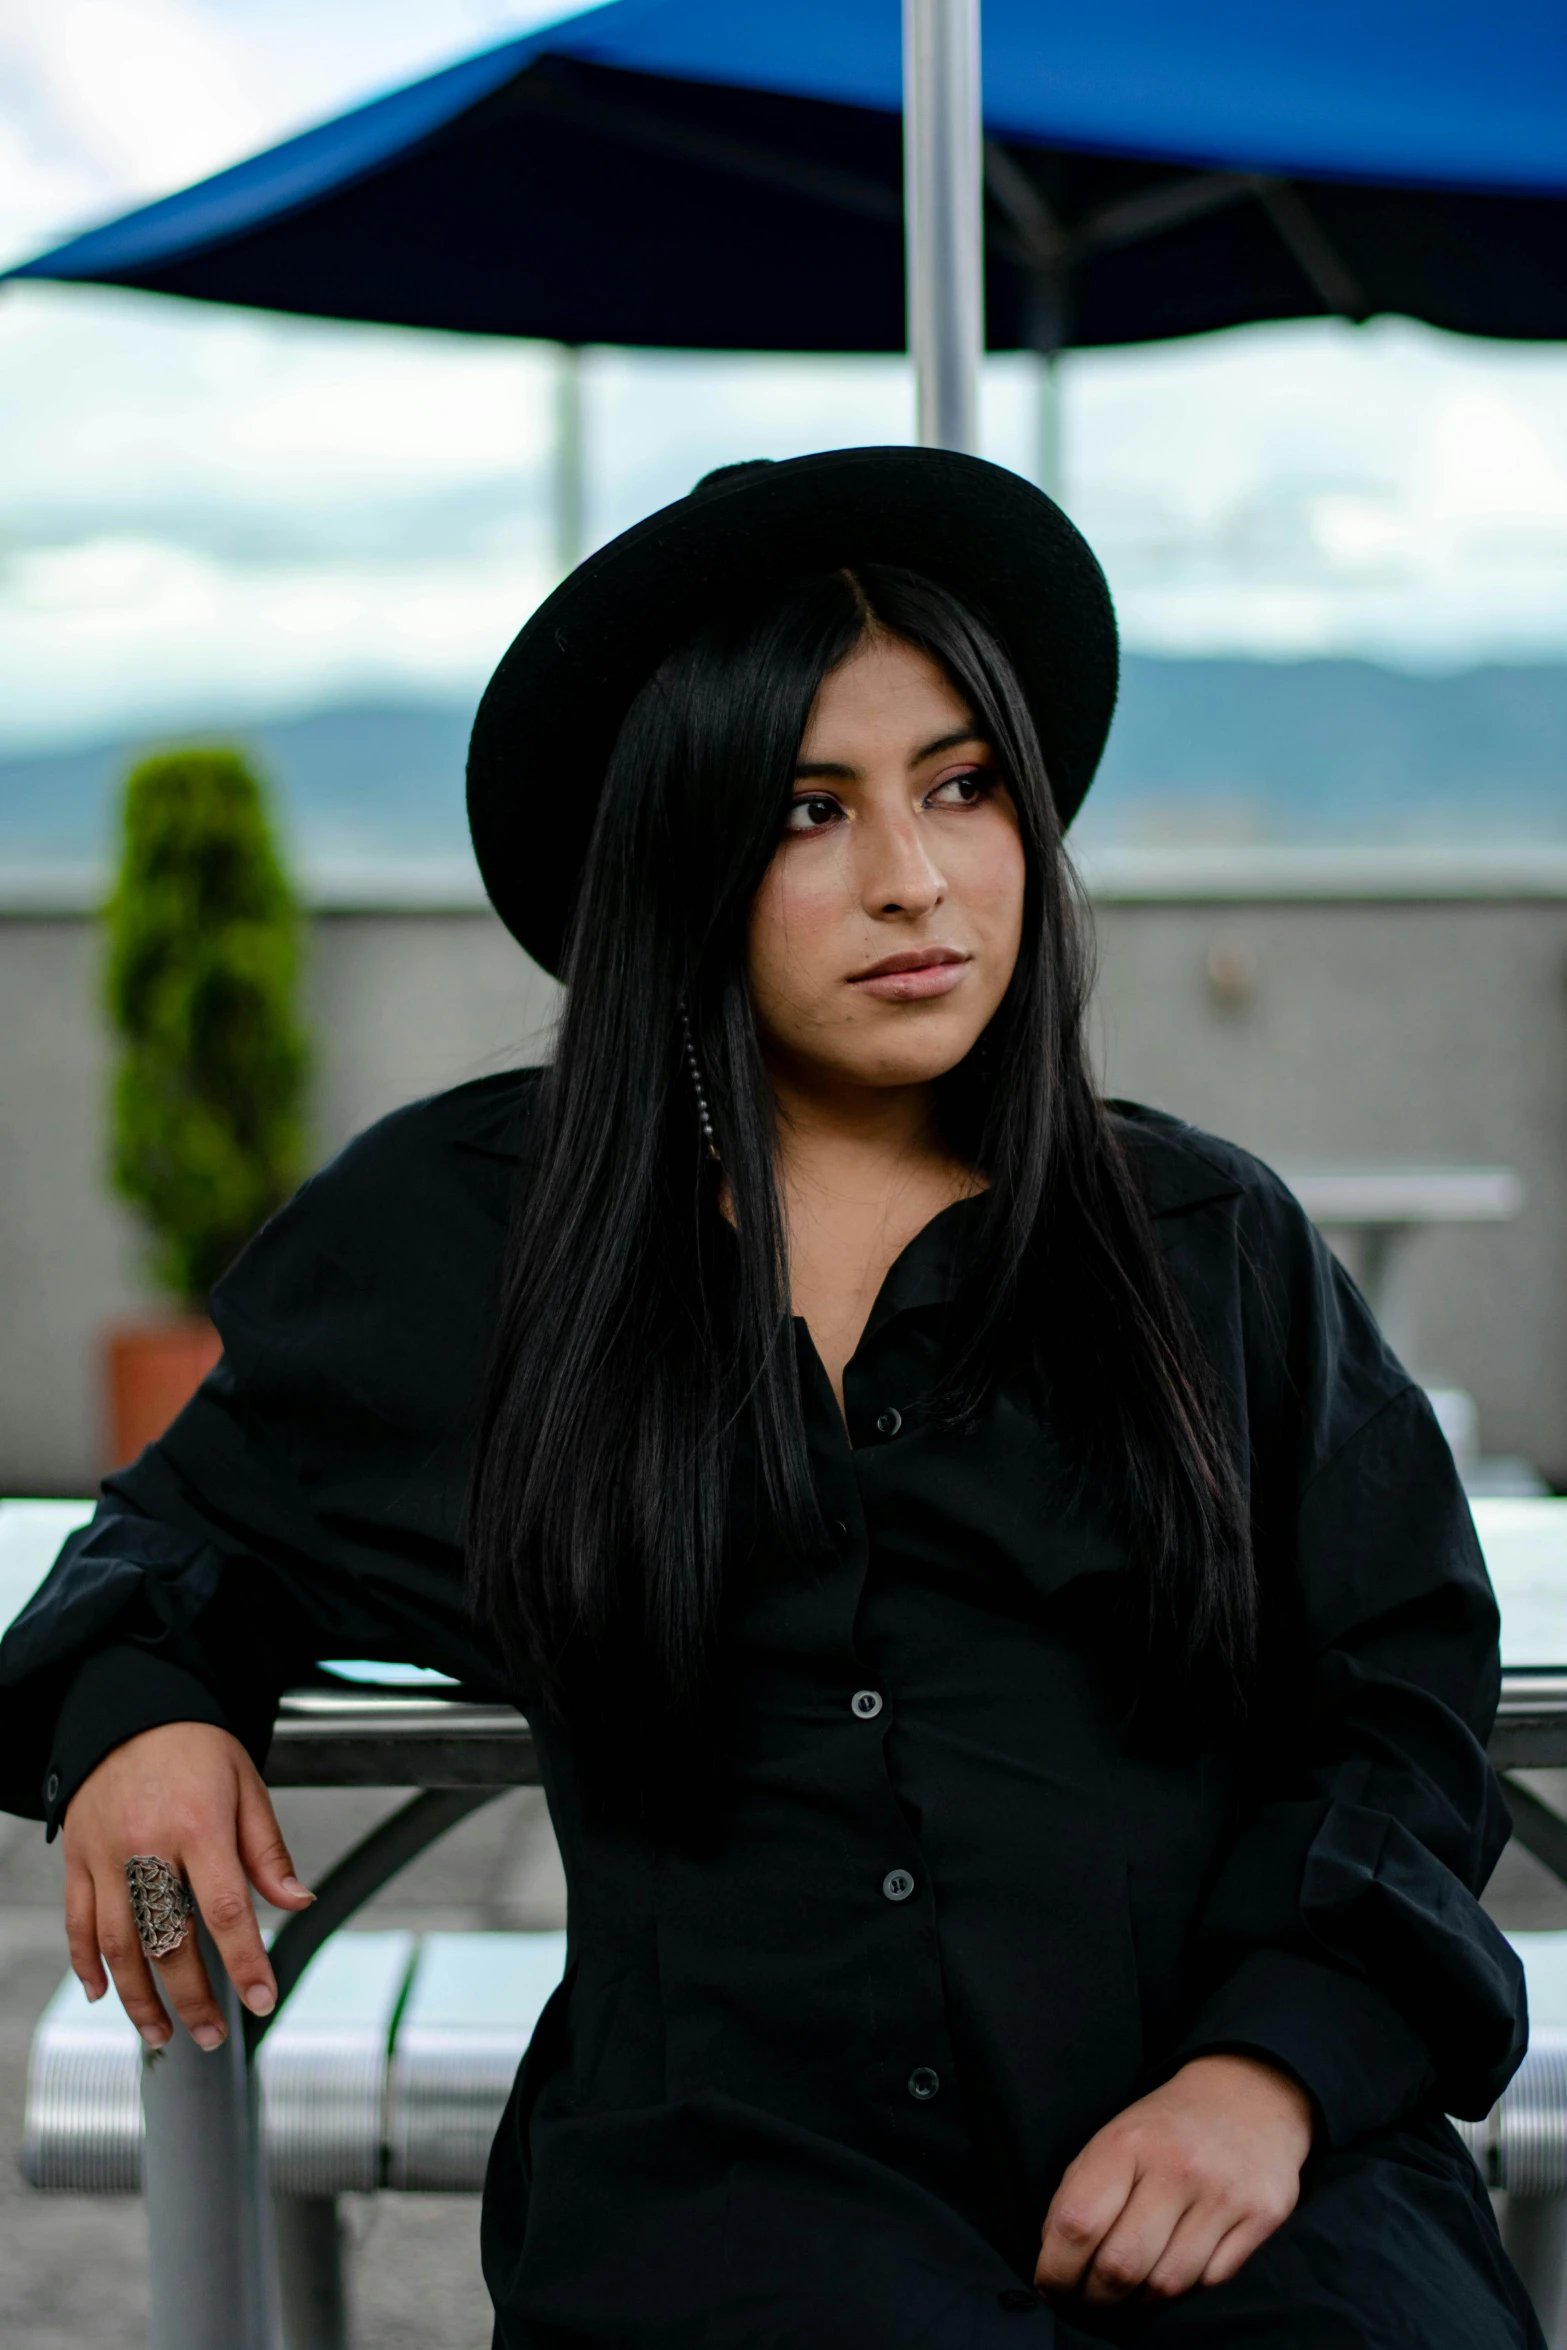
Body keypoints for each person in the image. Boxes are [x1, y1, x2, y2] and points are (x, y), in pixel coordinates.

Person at [0, 449, 1541, 2349]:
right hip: (729, 2199)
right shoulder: (473, 1243)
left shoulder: (1205, 1245)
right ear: (678, 854)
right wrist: (141, 1712)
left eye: (961, 785)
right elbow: (176, 1531)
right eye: (810, 809)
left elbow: (1399, 1698)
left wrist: (1273, 2074)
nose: (913, 878)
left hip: (1230, 2175)